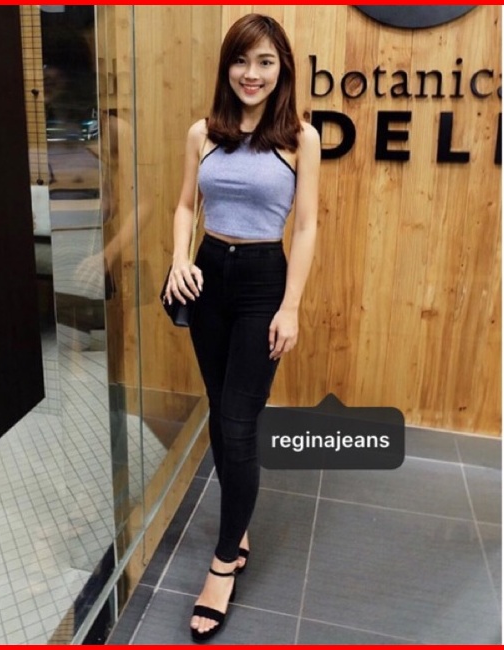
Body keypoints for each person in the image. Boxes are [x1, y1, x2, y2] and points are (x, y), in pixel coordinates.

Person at [163, 13, 320, 642]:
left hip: (261, 281)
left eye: (264, 62)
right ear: (226, 66)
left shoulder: (300, 138)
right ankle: (239, 523)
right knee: (218, 408)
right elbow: (186, 205)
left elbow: (305, 226)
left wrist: (291, 306)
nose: (251, 74)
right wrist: (180, 258)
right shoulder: (202, 132)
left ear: (282, 70)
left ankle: (224, 563)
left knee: (238, 421)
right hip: (207, 277)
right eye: (241, 60)